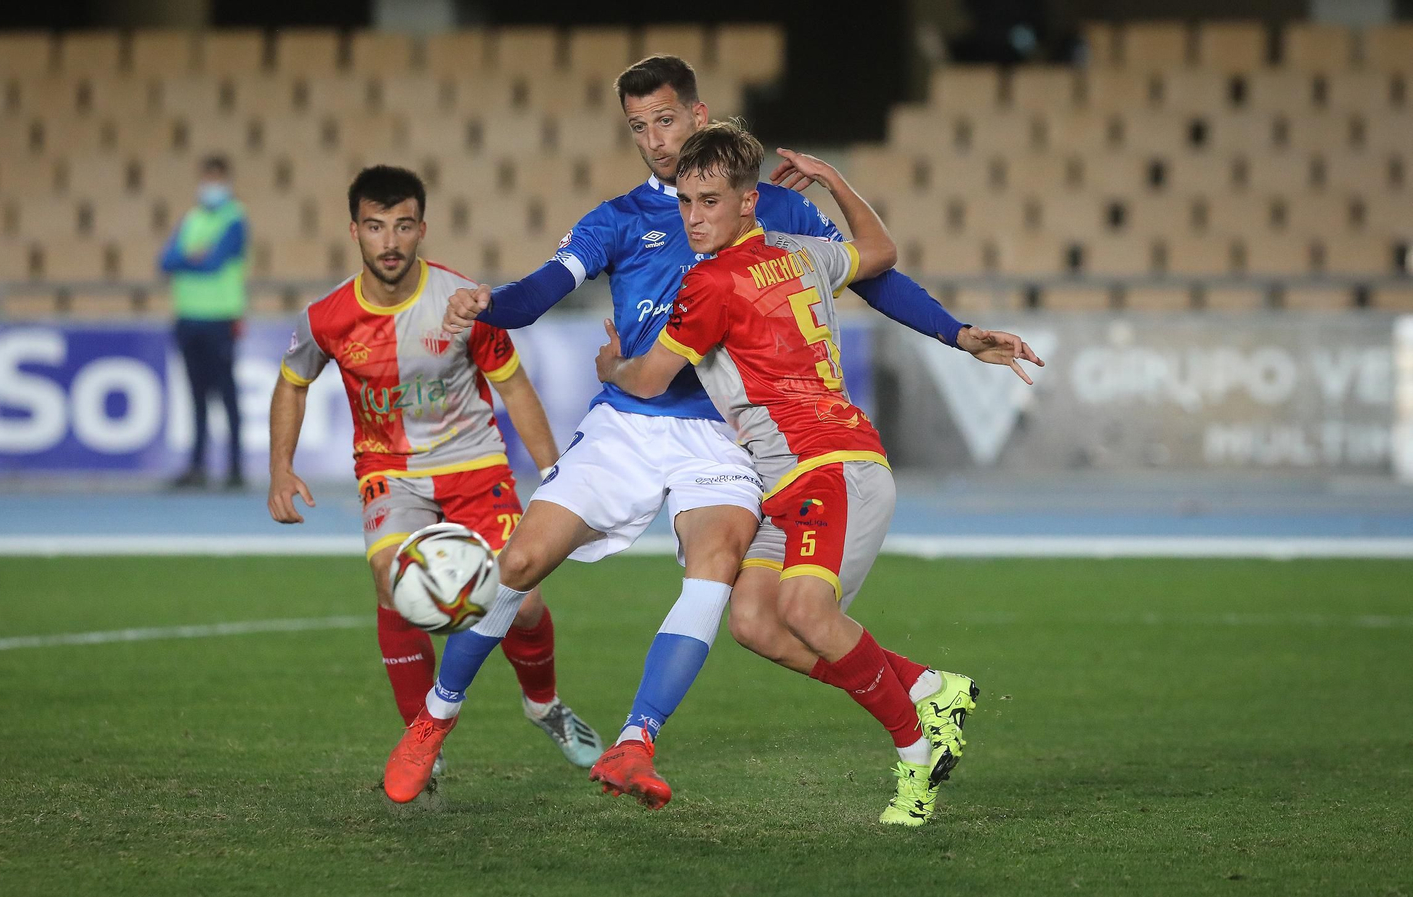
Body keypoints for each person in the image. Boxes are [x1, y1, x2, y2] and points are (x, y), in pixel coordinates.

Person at [383, 55, 1035, 806]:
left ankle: (637, 741)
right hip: (630, 424)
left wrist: (956, 333)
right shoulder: (618, 219)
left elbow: (875, 274)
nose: (655, 140)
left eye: (665, 120)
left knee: (723, 573)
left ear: (698, 115)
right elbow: (543, 290)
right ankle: (434, 719)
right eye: (638, 127)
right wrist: (489, 302)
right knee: (523, 560)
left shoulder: (764, 208)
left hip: (725, 438)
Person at [597, 122, 1042, 824]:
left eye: (709, 201)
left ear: (750, 200)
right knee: (753, 621)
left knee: (805, 612)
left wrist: (612, 366)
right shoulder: (800, 253)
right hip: (804, 479)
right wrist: (836, 183)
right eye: (685, 201)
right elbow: (882, 254)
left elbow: (649, 382)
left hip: (830, 467)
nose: (694, 217)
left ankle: (915, 759)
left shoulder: (707, 282)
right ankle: (930, 686)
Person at [268, 166, 602, 789]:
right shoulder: (328, 317)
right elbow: (292, 383)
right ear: (355, 231)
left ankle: (544, 705)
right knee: (390, 582)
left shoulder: (461, 302)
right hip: (389, 471)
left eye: (401, 226)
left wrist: (556, 473)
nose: (389, 242)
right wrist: (279, 467)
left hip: (474, 465)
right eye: (375, 227)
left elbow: (516, 388)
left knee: (523, 605)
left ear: (422, 228)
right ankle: (423, 739)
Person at [159, 155, 248, 490]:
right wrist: (191, 257)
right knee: (196, 395)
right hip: (188, 318)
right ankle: (197, 466)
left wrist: (189, 258)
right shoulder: (192, 219)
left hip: (220, 318)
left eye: (216, 179)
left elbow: (213, 262)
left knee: (226, 393)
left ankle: (235, 468)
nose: (211, 186)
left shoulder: (235, 219)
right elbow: (165, 260)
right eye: (207, 178)